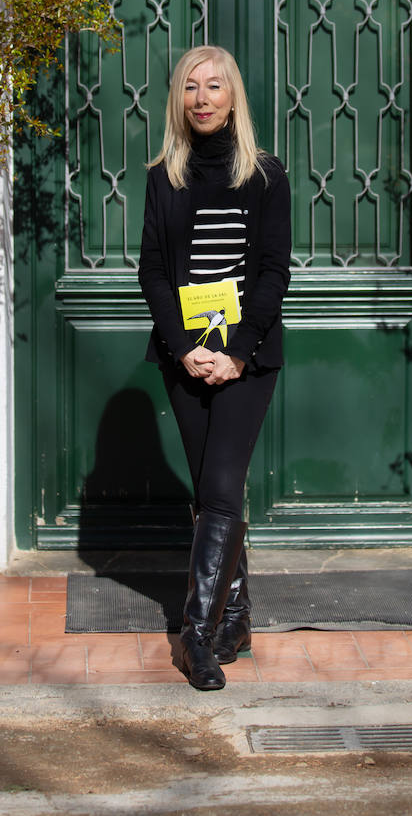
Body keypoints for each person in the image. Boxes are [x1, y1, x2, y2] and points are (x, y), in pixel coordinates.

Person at [138, 46, 291, 690]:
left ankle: (195, 632)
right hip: (186, 355)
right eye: (191, 88)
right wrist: (183, 348)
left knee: (222, 486)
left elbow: (272, 271)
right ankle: (236, 616)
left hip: (245, 358)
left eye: (215, 86)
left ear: (234, 97)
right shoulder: (161, 177)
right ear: (180, 99)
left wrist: (236, 351)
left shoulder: (267, 174)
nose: (203, 98)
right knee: (211, 493)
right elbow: (151, 271)